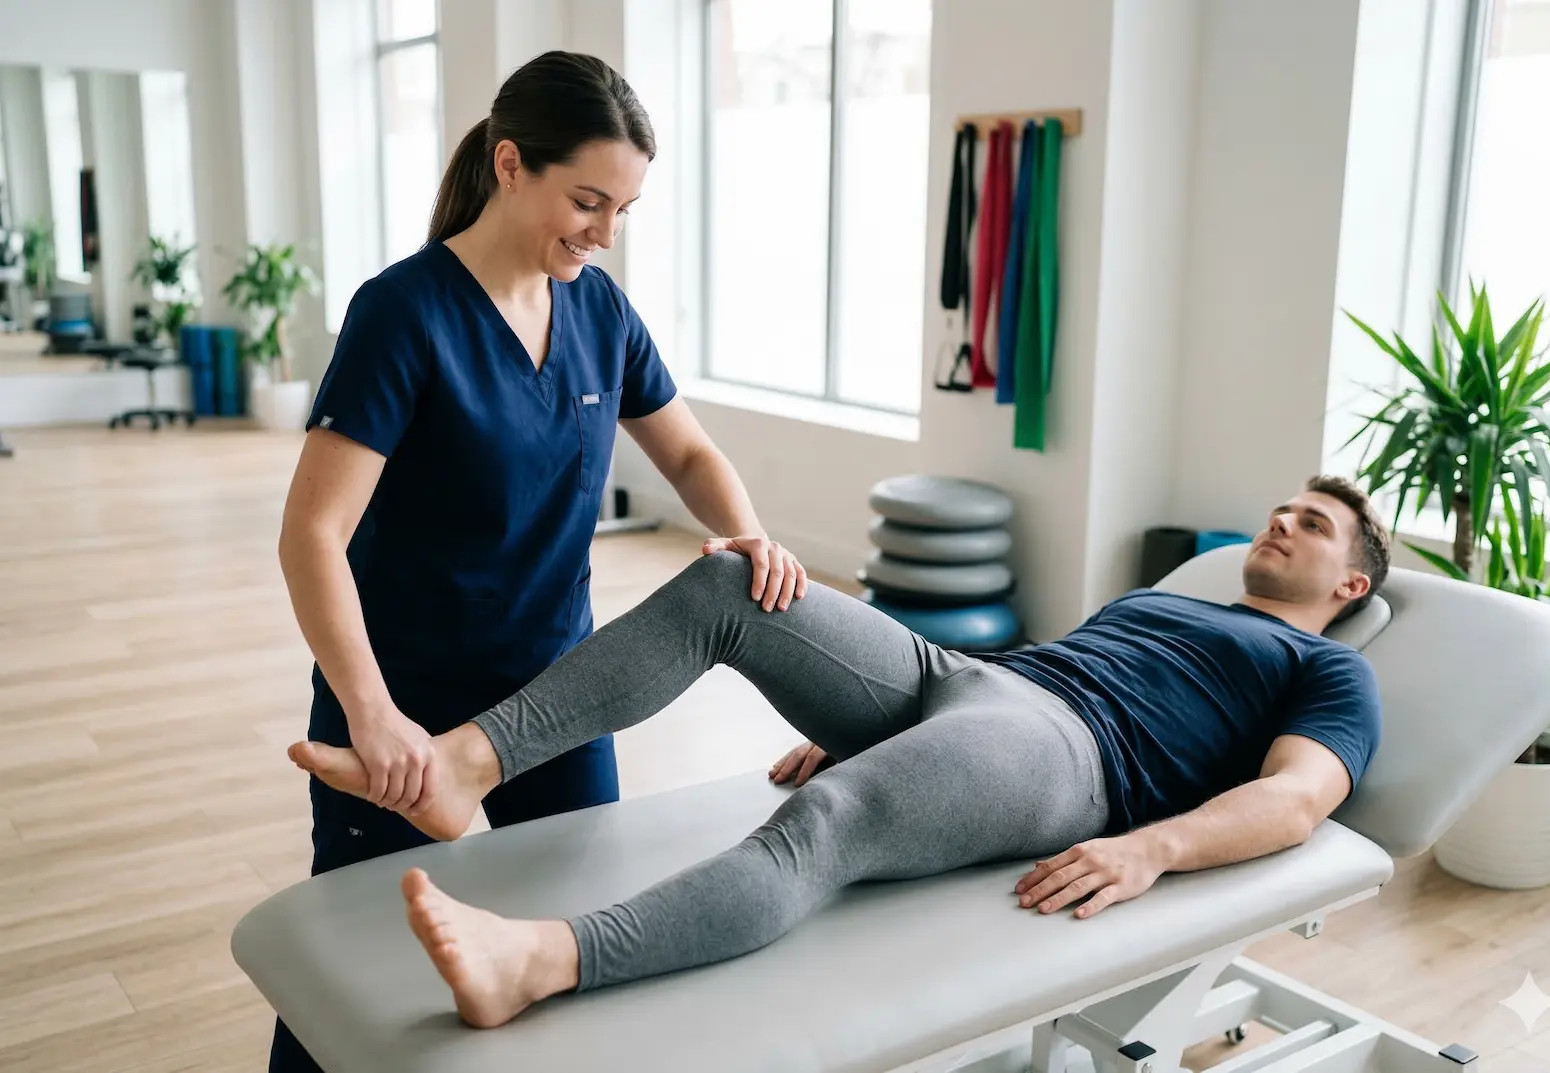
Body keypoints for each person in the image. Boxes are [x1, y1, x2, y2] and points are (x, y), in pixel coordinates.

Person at [290, 474, 1390, 1030]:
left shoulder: (1334, 673)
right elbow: (1042, 654)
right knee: (736, 583)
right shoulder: (1172, 595)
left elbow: (1295, 801)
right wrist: (875, 706)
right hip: (980, 683)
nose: (1280, 522)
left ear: (1350, 586)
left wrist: (1150, 849)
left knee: (827, 821)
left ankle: (537, 961)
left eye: (1311, 525)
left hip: (1063, 754)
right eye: (1281, 507)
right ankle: (468, 765)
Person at [270, 51, 808, 1071]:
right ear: (510, 165)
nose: (604, 233)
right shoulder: (405, 313)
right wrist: (374, 714)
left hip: (560, 703)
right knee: (351, 978)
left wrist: (748, 530)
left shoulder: (598, 311)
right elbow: (312, 534)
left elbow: (687, 448)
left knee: (562, 955)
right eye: (587, 200)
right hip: (404, 709)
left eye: (624, 209)